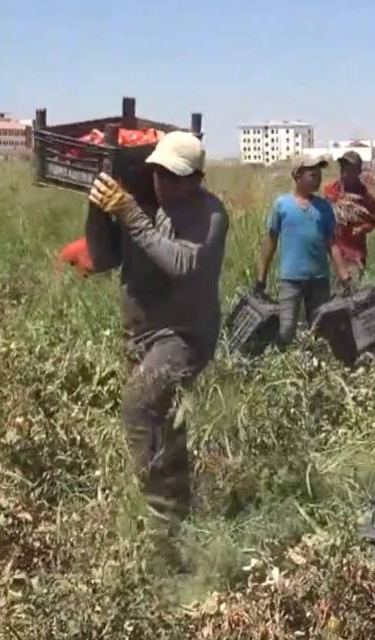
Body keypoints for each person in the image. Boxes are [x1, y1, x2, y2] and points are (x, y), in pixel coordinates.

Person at [84, 131, 229, 543]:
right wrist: (97, 210)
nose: (161, 182)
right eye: (156, 174)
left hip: (182, 337)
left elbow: (182, 263)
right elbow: (103, 258)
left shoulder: (209, 214)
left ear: (195, 179)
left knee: (138, 407)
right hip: (144, 335)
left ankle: (157, 519)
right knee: (165, 424)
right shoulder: (147, 205)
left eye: (171, 176)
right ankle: (178, 507)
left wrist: (130, 213)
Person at [255, 156, 352, 346]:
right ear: (297, 176)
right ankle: (283, 362)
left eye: (319, 175)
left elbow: (331, 244)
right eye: (312, 175)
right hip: (291, 281)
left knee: (319, 328)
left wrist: (344, 276)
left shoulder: (324, 208)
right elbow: (270, 242)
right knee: (287, 329)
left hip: (319, 280)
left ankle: (314, 366)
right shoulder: (282, 206)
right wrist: (261, 278)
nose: (317, 179)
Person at [323, 151, 375, 280]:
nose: (344, 170)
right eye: (343, 165)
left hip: (355, 255)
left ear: (358, 171)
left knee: (353, 292)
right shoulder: (330, 190)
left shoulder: (366, 197)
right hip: (333, 255)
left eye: (349, 167)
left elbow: (372, 222)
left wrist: (361, 229)